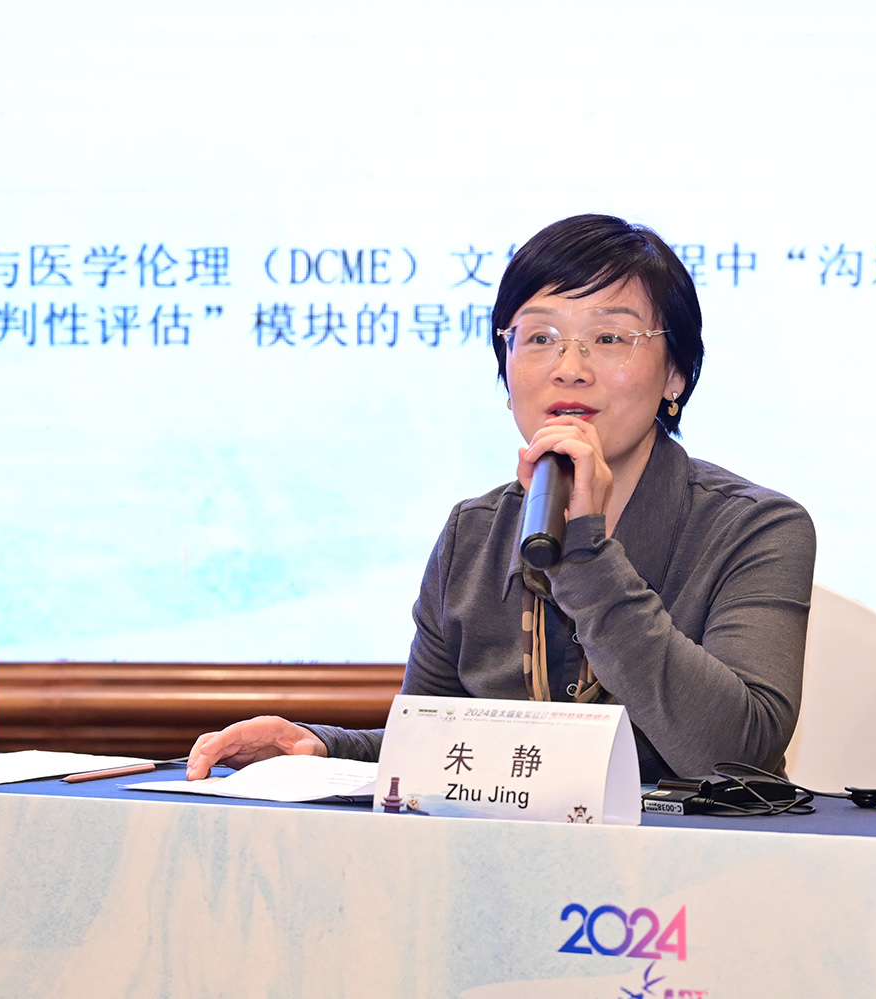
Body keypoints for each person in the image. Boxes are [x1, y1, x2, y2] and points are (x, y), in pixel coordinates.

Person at [187, 214, 816, 783]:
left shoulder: (756, 528)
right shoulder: (474, 532)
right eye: (539, 337)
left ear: (676, 373)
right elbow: (437, 746)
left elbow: (735, 758)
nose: (569, 367)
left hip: (693, 866)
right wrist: (322, 749)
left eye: (609, 338)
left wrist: (586, 554)